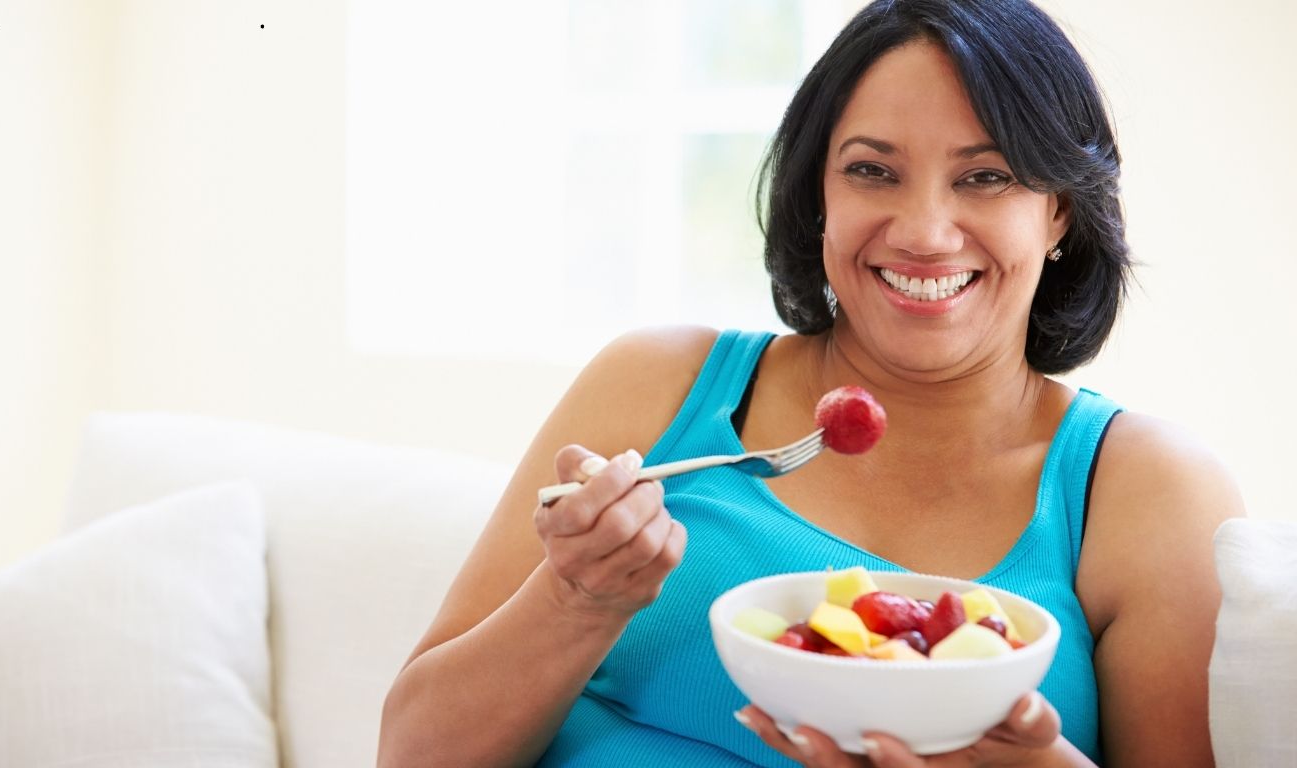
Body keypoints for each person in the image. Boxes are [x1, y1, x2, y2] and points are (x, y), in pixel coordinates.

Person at [378, 0, 1244, 765]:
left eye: (986, 177)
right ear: (817, 194)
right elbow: (411, 756)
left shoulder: (1148, 490)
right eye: (872, 170)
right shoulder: (658, 384)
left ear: (1059, 210)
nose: (925, 232)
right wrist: (575, 600)